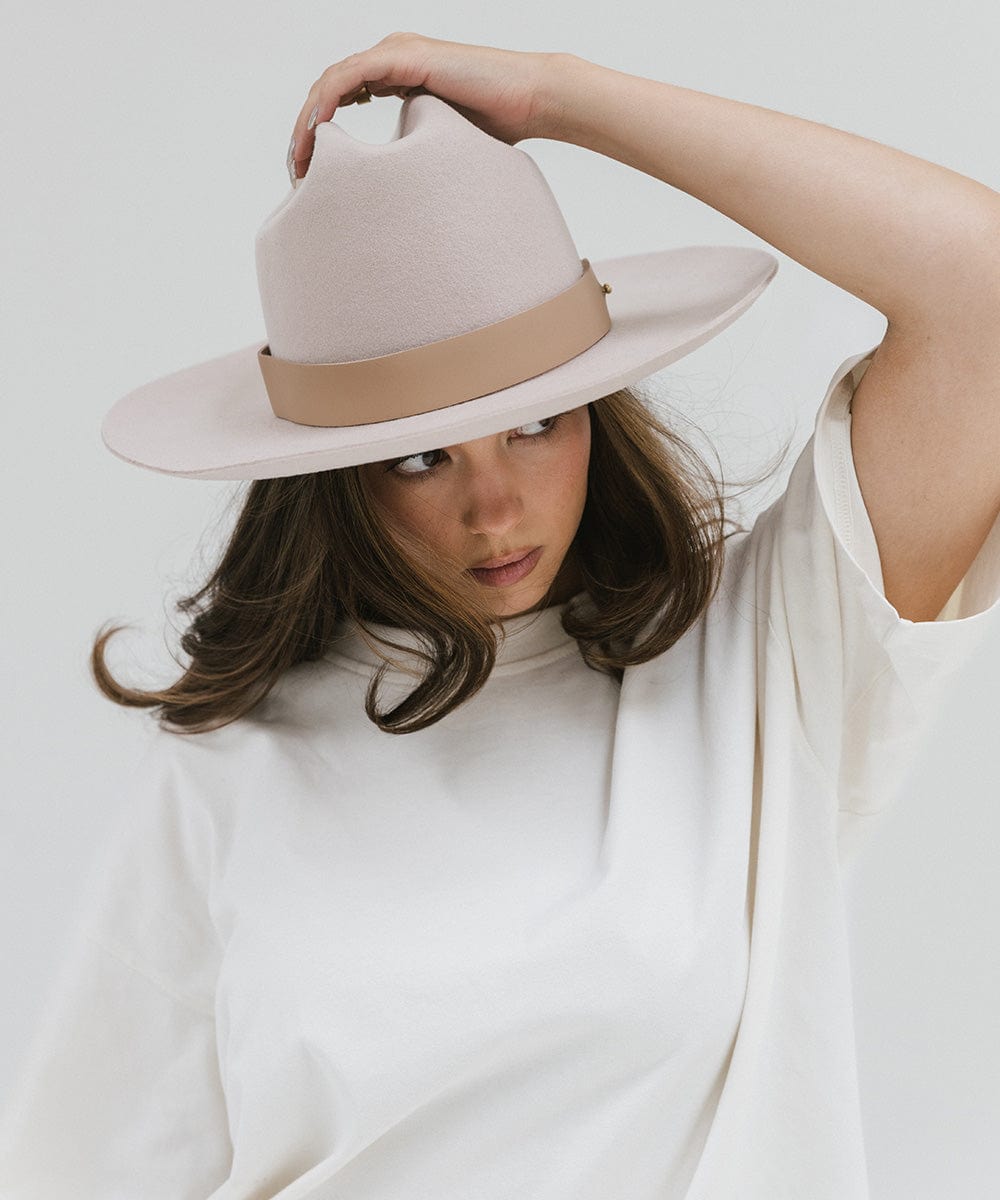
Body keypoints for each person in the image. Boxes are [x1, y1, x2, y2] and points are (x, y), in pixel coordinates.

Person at [1, 32, 998, 1200]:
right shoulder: (230, 774)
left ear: (597, 414)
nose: (494, 506)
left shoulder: (756, 664)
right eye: (420, 456)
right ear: (334, 479)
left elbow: (976, 284)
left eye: (537, 424)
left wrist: (550, 97)